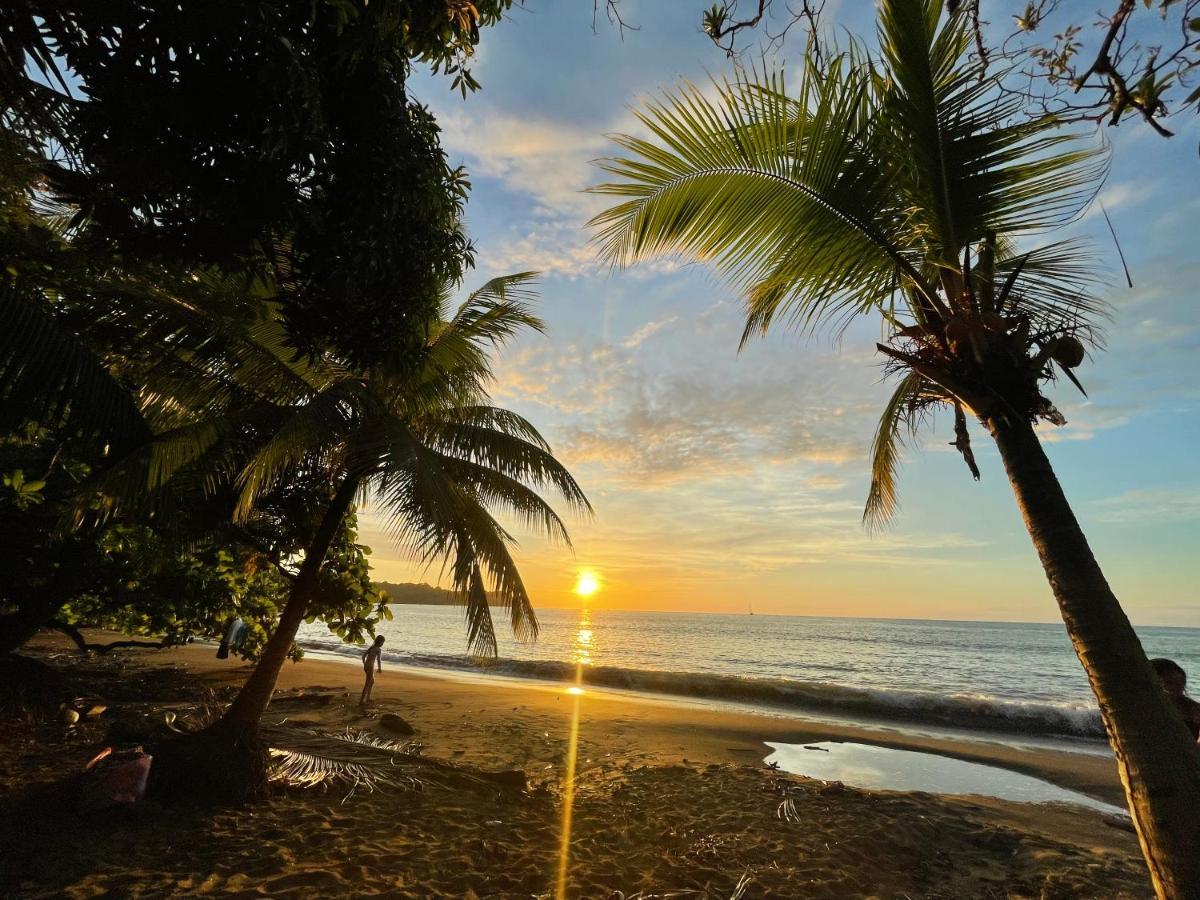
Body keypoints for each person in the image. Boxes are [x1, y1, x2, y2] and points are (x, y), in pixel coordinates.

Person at [1150, 658, 1200, 741]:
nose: (1177, 687)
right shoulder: (1147, 709)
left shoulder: (1193, 709)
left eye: (1181, 682)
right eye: (1169, 683)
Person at [360, 635, 385, 705]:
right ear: (380, 642)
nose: (382, 644)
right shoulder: (378, 649)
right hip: (370, 667)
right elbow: (378, 660)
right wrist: (379, 668)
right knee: (367, 683)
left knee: (372, 682)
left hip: (366, 666)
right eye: (382, 642)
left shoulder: (372, 647)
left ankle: (368, 698)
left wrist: (364, 664)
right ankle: (362, 700)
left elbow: (363, 656)